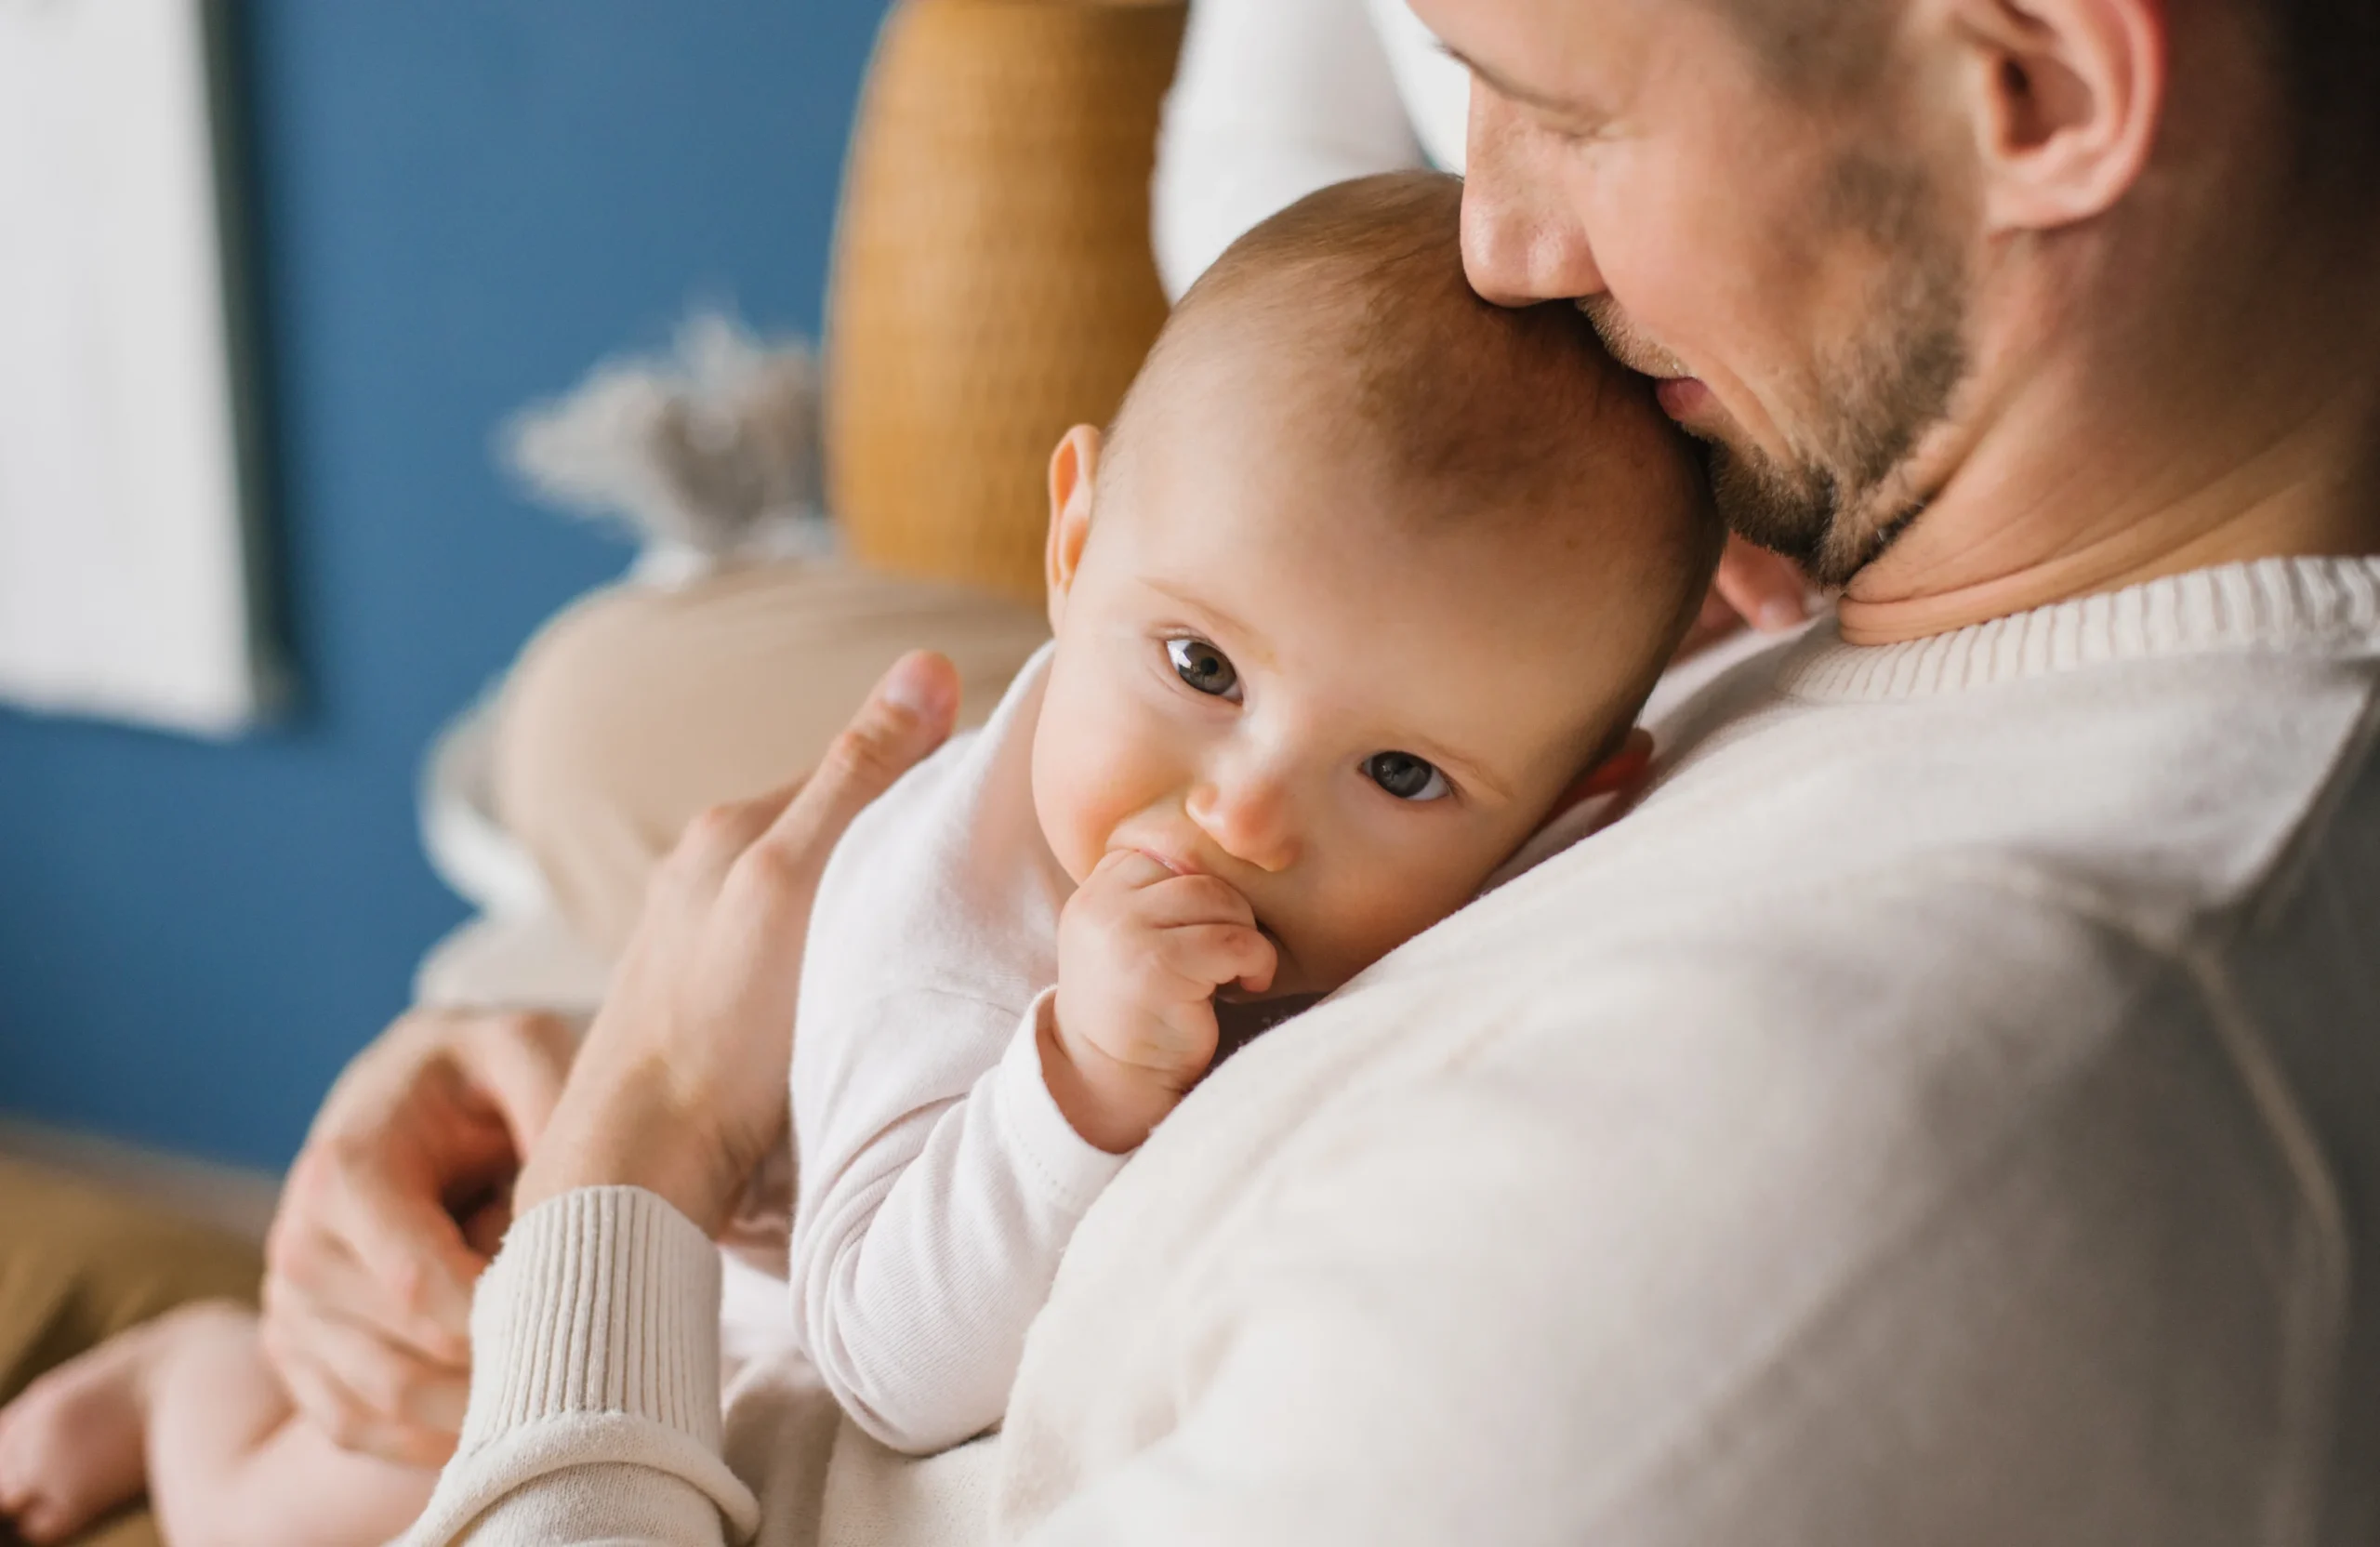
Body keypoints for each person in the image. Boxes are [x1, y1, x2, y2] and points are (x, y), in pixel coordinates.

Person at [390, 0, 2380, 1540]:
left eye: (1560, 107)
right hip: (632, 1330)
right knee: (599, 707)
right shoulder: (1865, 596)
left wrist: (636, 1152)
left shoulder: (1846, 1187)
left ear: (2036, 87)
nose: (1497, 243)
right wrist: (604, 1112)